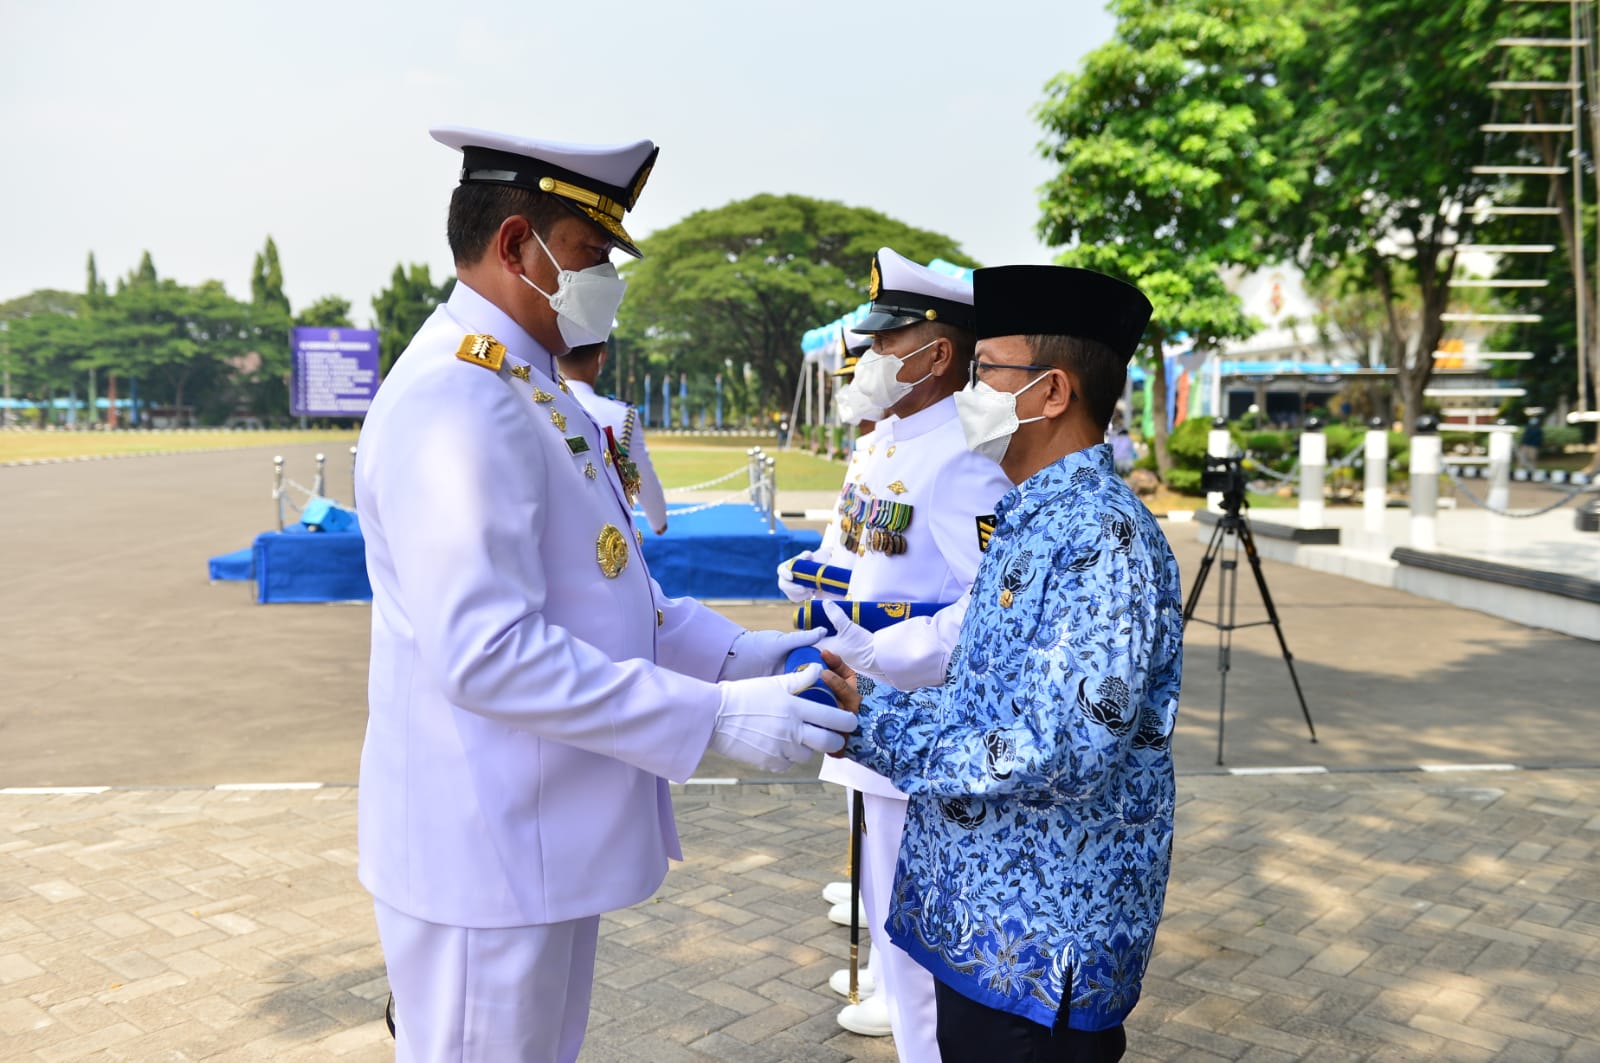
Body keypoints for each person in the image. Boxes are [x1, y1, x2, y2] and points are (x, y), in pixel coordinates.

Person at [354, 126, 856, 1063]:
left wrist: (755, 660)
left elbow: (612, 592)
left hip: (533, 837)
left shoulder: (527, 386)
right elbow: (489, 652)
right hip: (485, 847)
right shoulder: (457, 398)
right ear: (515, 247)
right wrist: (715, 720)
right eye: (589, 256)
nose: (606, 284)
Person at [822, 264, 1183, 1062]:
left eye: (986, 370)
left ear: (1052, 393)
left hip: (1039, 945)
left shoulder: (1102, 539)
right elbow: (981, 701)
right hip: (985, 928)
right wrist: (864, 708)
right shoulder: (1035, 515)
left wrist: (876, 726)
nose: (969, 389)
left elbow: (1065, 746)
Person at [793, 248, 1013, 1056]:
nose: (875, 356)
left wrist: (887, 651)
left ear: (937, 355)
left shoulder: (960, 456)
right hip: (869, 711)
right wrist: (817, 577)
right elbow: (861, 547)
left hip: (914, 718)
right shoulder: (886, 440)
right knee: (890, 919)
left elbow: (990, 609)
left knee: (918, 942)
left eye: (890, 343)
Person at [563, 341, 669, 535]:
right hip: (608, 537)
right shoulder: (621, 415)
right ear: (601, 358)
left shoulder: (531, 402)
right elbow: (641, 478)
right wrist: (658, 522)